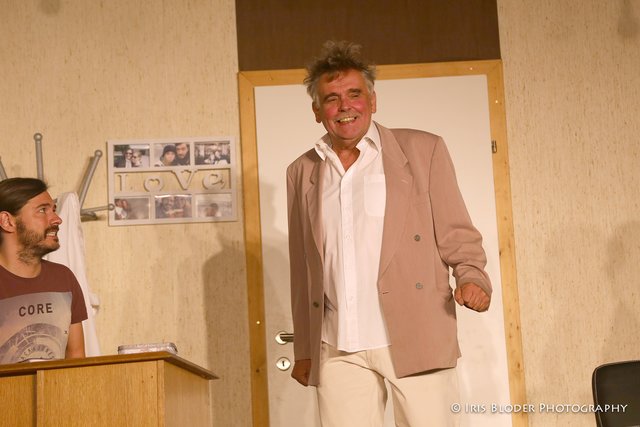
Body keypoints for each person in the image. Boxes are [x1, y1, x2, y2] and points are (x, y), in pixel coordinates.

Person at [286, 40, 492, 426]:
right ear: (317, 110)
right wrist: (305, 348)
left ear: (373, 100)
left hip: (415, 332)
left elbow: (457, 231)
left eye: (354, 94)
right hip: (338, 345)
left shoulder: (423, 150)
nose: (344, 106)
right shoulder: (302, 171)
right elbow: (303, 267)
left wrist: (472, 277)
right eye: (331, 98)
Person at [0, 178, 87, 364]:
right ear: (7, 221)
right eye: (42, 210)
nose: (57, 219)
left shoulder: (63, 279)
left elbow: (76, 359)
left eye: (54, 209)